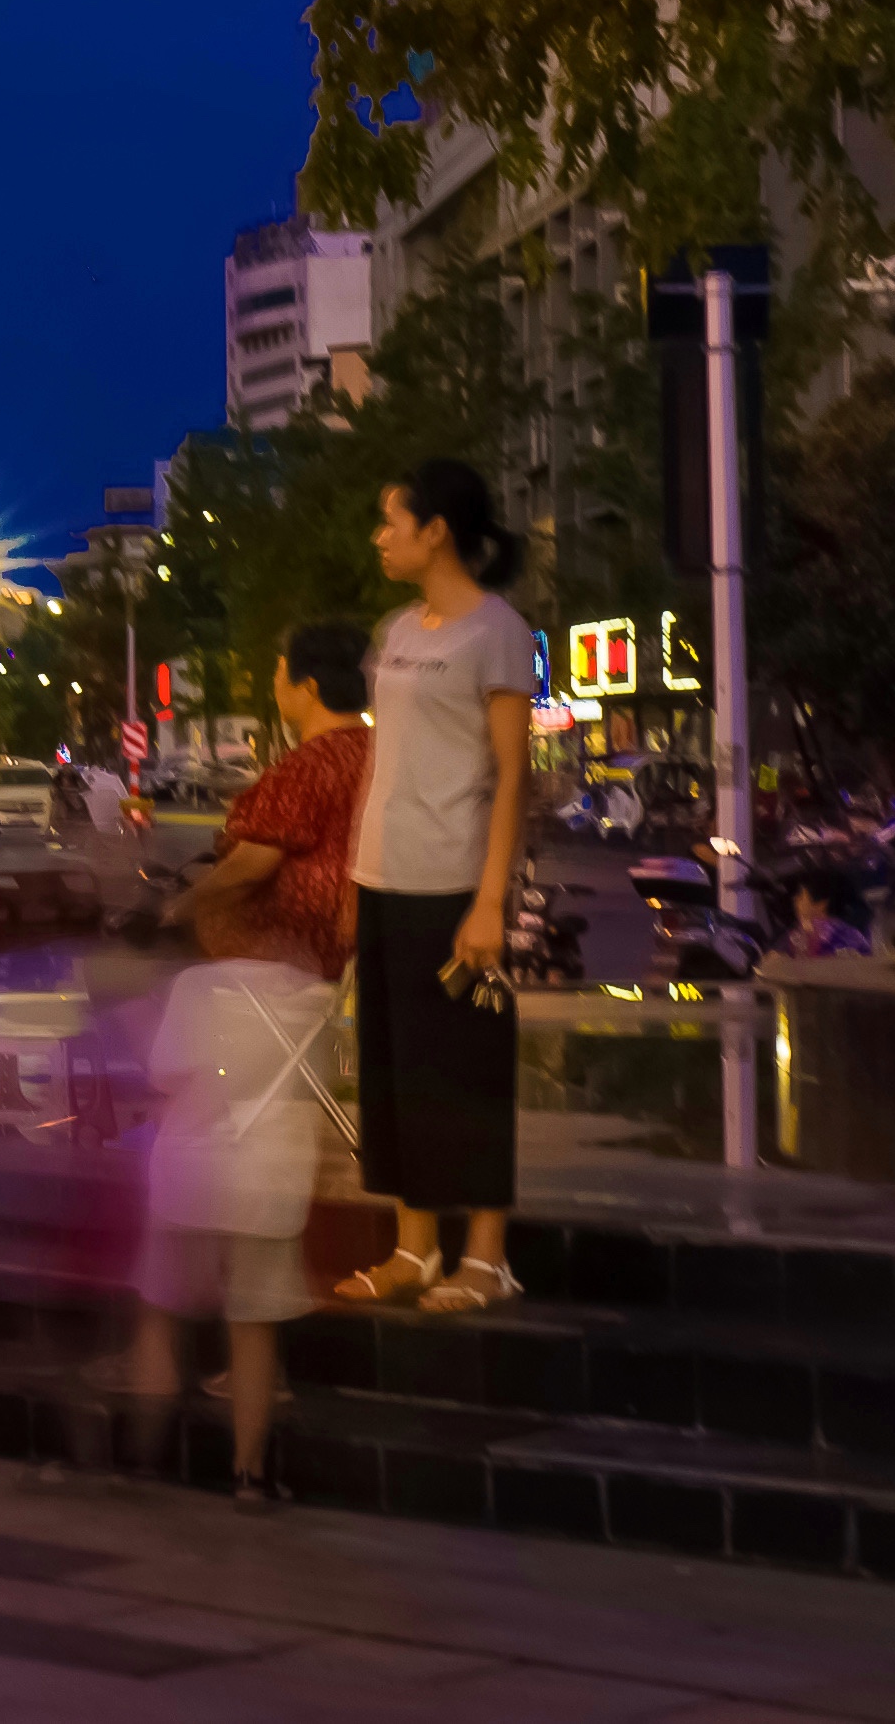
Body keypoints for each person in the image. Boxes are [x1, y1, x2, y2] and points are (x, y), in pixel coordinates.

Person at [335, 460, 535, 1313]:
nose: (380, 536)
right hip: (384, 874)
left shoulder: (498, 630)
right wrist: (353, 869)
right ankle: (414, 1248)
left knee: (466, 1068)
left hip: (456, 881)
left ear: (437, 530)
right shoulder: (395, 629)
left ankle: (486, 1258)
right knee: (394, 1071)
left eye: (393, 521)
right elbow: (383, 758)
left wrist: (491, 900)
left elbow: (512, 773)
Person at [122, 876, 348, 1500]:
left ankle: (145, 1460)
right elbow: (325, 1081)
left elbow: (166, 1072)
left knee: (160, 1311)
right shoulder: (316, 996)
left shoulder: (198, 986)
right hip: (273, 1177)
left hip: (191, 1170)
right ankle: (249, 1473)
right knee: (253, 1329)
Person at [185, 624, 371, 978]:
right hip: (358, 948)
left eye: (280, 670)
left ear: (310, 687)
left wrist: (181, 907)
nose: (274, 682)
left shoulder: (306, 767)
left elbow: (246, 871)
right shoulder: (379, 753)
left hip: (291, 957)